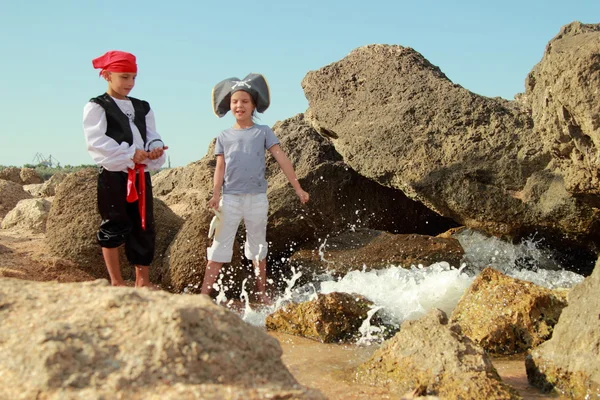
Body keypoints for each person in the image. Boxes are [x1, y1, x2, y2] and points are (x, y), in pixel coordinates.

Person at [201, 73, 309, 304]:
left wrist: (297, 188)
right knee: (219, 246)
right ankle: (202, 295)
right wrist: (215, 194)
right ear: (229, 105)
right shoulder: (224, 136)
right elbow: (220, 167)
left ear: (253, 106)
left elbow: (282, 158)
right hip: (230, 199)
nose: (239, 105)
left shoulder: (263, 132)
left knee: (258, 246)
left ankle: (262, 292)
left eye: (245, 101)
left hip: (257, 199)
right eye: (234, 101)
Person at [82, 50, 167, 288]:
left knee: (144, 224)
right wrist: (130, 153)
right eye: (124, 77)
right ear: (107, 75)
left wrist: (155, 148)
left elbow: (151, 135)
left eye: (133, 78)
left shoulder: (142, 107)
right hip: (113, 176)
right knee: (114, 222)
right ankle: (116, 281)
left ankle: (143, 281)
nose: (130, 83)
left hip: (141, 175)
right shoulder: (97, 106)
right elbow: (97, 142)